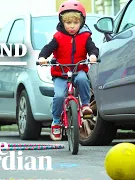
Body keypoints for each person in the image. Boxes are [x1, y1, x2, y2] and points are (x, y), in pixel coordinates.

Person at [37, 0, 99, 141]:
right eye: (68, 23)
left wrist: (94, 55)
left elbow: (92, 48)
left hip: (78, 69)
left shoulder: (85, 36)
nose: (72, 26)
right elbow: (48, 48)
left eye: (75, 23)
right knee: (59, 95)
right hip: (60, 72)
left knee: (83, 79)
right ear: (62, 22)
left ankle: (85, 105)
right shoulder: (58, 37)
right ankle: (56, 122)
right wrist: (42, 57)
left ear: (81, 22)